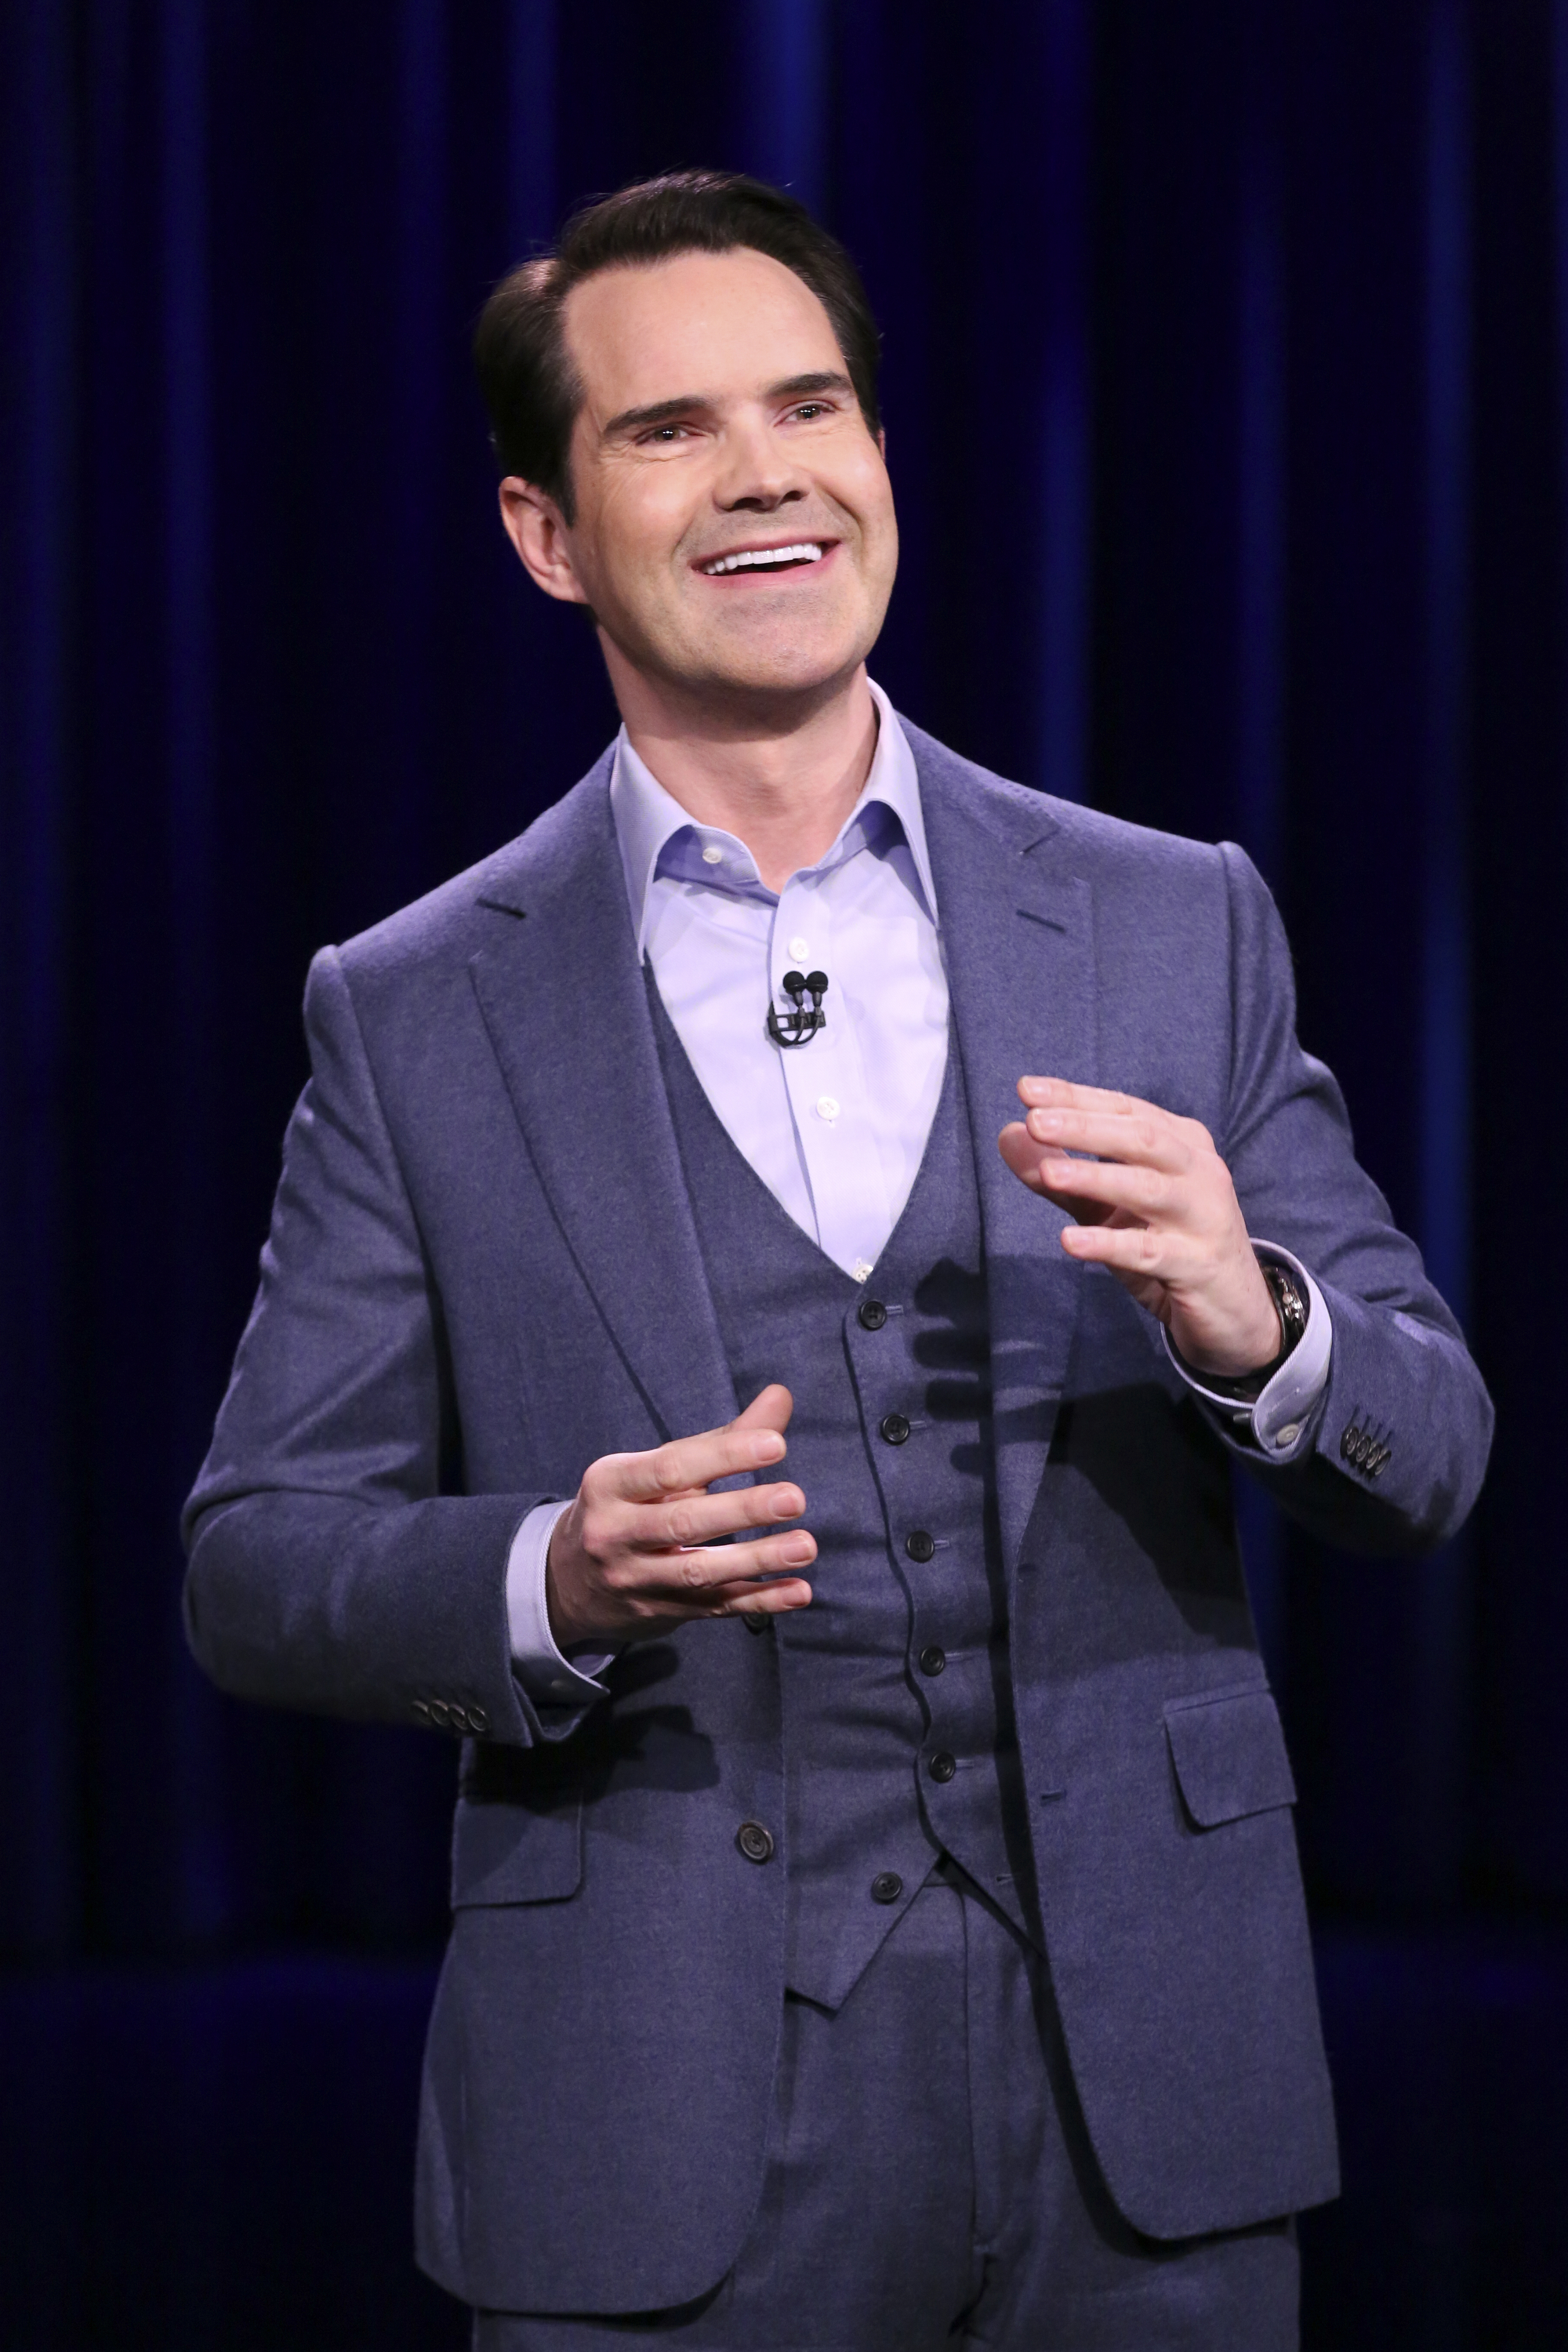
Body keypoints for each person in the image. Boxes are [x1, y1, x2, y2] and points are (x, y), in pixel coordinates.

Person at [182, 171, 1492, 2350]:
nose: (767, 470)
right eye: (670, 428)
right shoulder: (416, 1013)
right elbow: (253, 1564)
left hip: (1146, 2116)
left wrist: (1260, 1329)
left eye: (814, 408)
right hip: (657, 2128)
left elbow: (1428, 1447)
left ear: (881, 462)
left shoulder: (1173, 921)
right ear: (544, 532)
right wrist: (550, 1580)